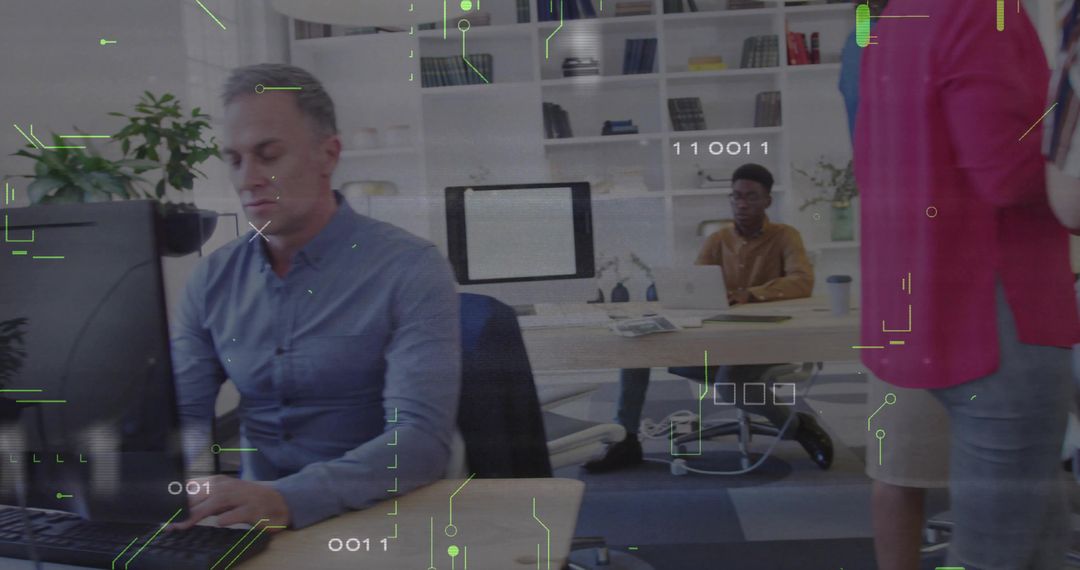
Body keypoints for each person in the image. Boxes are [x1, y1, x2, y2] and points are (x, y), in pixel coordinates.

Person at [169, 64, 462, 531]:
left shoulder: (410, 268)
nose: (247, 179)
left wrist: (284, 499)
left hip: (380, 516)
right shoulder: (212, 279)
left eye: (268, 155)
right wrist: (180, 486)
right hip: (250, 524)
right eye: (235, 159)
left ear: (328, 155)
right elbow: (183, 417)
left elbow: (419, 442)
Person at [855, 2, 1080, 569]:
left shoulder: (896, 21)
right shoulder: (985, 13)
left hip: (934, 299)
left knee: (1037, 540)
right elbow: (1009, 172)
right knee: (1000, 550)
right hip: (997, 309)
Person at [584, 163, 833, 474]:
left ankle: (797, 426)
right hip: (717, 337)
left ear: (768, 200)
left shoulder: (785, 236)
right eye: (737, 197)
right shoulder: (718, 240)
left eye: (752, 197)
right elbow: (695, 285)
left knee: (730, 384)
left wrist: (751, 294)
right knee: (639, 347)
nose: (742, 204)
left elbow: (802, 281)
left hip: (765, 340)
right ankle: (627, 440)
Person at [841, 3, 954, 569]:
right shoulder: (892, 38)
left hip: (901, 267)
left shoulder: (866, 39)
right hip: (937, 266)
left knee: (900, 460)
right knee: (911, 456)